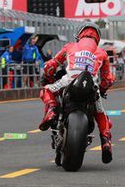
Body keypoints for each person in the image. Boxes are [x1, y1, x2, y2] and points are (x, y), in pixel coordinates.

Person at [38, 22, 115, 164]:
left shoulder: (70, 47)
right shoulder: (102, 52)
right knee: (101, 113)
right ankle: (106, 142)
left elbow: (50, 65)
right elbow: (108, 79)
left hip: (70, 79)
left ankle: (51, 111)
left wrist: (47, 77)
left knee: (46, 89)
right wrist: (103, 89)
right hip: (91, 84)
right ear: (97, 38)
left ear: (79, 35)